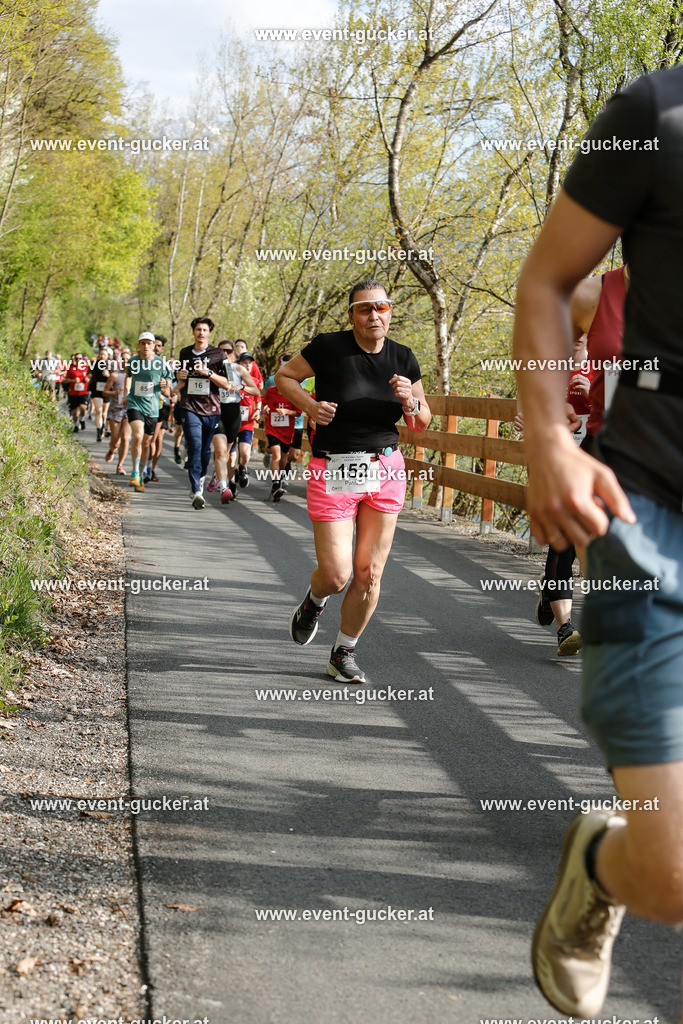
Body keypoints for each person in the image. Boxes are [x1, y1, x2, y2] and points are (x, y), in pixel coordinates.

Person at [512, 65, 682, 1017]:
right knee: (671, 880)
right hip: (646, 509)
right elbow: (548, 277)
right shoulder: (654, 114)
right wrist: (547, 442)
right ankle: (602, 863)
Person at [276, 279, 430, 683]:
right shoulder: (328, 347)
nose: (374, 315)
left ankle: (343, 651)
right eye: (365, 309)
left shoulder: (403, 358)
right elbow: (284, 378)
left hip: (386, 467)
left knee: (369, 573)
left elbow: (422, 420)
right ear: (352, 315)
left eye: (381, 307)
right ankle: (315, 599)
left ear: (390, 311)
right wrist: (310, 405)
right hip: (335, 467)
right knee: (337, 573)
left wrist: (409, 401)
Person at [175, 317, 233, 509]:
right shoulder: (184, 353)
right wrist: (179, 378)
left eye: (204, 330)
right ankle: (196, 492)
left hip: (212, 408)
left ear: (209, 333)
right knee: (194, 445)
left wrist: (207, 373)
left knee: (205, 451)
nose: (201, 333)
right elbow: (181, 381)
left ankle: (199, 480)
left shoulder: (218, 355)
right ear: (193, 332)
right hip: (190, 406)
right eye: (198, 329)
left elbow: (227, 383)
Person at [206, 340, 260, 504]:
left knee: (228, 452)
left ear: (233, 354)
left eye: (228, 351)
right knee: (221, 451)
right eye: (221, 351)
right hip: (217, 411)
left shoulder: (239, 369)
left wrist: (241, 387)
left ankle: (217, 474)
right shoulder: (211, 370)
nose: (225, 354)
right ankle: (224, 488)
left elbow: (256, 391)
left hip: (234, 413)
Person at [124, 332, 173, 493]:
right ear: (139, 345)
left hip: (152, 408)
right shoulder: (132, 362)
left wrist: (166, 383)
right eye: (142, 343)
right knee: (137, 436)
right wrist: (126, 393)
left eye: (149, 343)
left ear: (153, 345)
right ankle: (135, 471)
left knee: (146, 443)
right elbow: (129, 377)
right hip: (134, 403)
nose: (145, 346)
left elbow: (169, 385)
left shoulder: (161, 364)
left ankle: (143, 471)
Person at [262, 377, 301, 502]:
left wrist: (287, 411)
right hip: (272, 429)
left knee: (283, 459)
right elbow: (265, 404)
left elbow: (298, 412)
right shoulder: (271, 391)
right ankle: (275, 483)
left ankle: (280, 478)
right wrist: (265, 409)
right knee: (276, 455)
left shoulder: (292, 393)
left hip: (286, 431)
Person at [102, 354, 130, 474]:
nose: (125, 361)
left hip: (130, 410)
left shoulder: (135, 376)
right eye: (123, 359)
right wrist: (115, 392)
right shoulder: (115, 375)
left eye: (127, 359)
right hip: (116, 409)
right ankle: (112, 450)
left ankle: (120, 465)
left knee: (125, 438)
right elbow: (104, 392)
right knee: (116, 440)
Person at [64, 353, 90, 431]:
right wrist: (73, 380)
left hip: (84, 392)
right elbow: (66, 379)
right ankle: (75, 425)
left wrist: (88, 379)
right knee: (74, 412)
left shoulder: (86, 368)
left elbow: (91, 376)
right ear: (74, 359)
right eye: (76, 358)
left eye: (80, 358)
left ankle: (82, 419)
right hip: (73, 393)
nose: (78, 360)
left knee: (83, 407)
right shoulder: (71, 368)